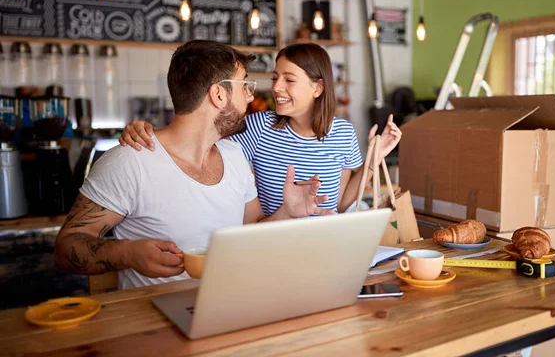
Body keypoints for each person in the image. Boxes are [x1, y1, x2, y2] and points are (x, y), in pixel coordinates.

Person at [54, 40, 332, 289]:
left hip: (231, 307)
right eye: (245, 84)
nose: (251, 95)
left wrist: (287, 213)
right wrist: (127, 254)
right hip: (155, 328)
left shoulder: (234, 156)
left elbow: (252, 231)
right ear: (218, 95)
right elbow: (66, 248)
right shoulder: (130, 161)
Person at [119, 43, 401, 216]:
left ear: (318, 87)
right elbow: (198, 137)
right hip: (272, 245)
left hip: (326, 244)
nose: (276, 87)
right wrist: (146, 131)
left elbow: (339, 205)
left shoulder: (343, 133)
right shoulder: (257, 127)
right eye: (276, 78)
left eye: (289, 80)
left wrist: (375, 157)